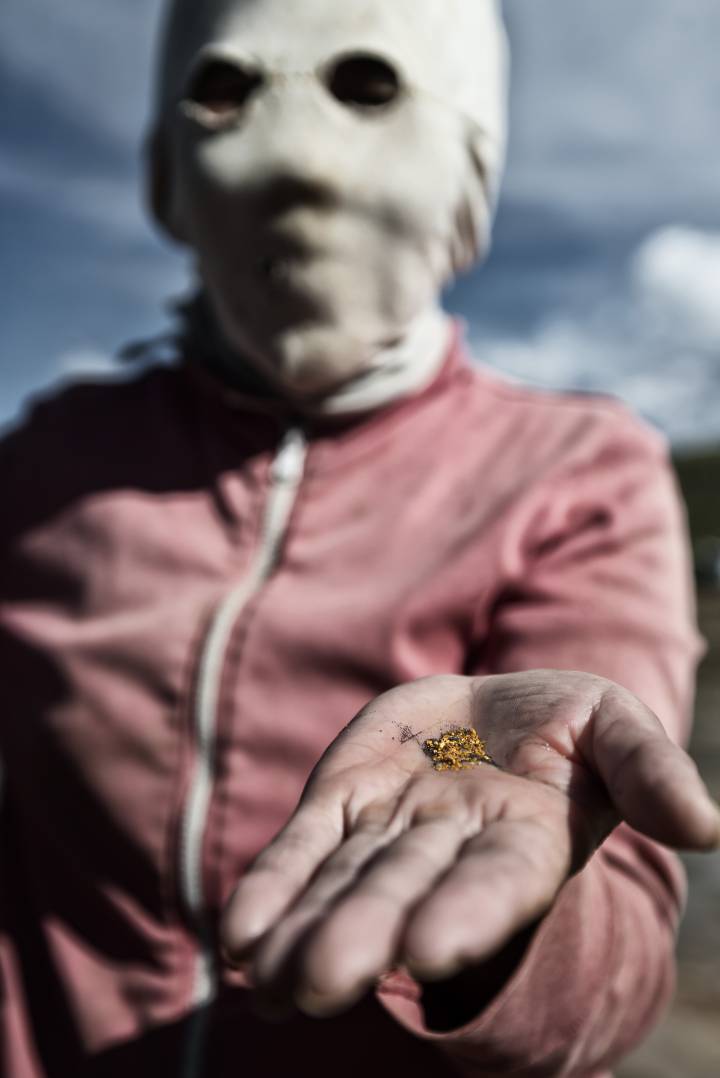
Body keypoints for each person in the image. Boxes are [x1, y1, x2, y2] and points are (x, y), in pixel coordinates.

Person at [0, 1, 717, 1075]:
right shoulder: (55, 460)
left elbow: (615, 914)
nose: (295, 163)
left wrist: (461, 764)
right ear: (165, 170)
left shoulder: (574, 471)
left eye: (367, 84)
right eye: (229, 88)